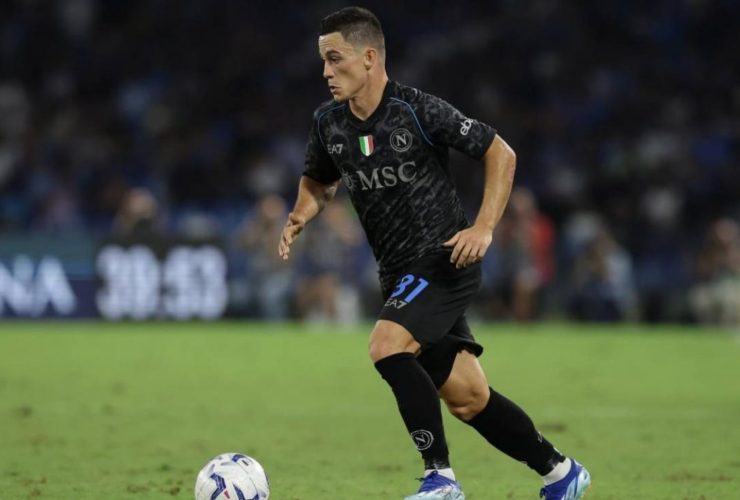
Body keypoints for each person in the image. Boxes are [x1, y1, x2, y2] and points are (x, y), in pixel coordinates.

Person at [278, 7, 590, 499]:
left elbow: (500, 153)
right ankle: (560, 472)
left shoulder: (416, 110)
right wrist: (300, 214)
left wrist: (484, 227)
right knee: (468, 398)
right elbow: (319, 181)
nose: (325, 72)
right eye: (322, 61)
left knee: (386, 346)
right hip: (398, 274)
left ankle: (439, 478)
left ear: (369, 57)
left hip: (446, 259)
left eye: (334, 59)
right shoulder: (329, 125)